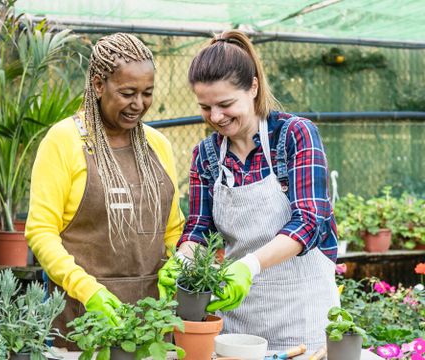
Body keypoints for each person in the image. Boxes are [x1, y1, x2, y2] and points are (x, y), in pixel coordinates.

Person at [158, 30, 339, 351]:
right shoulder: (207, 155)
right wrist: (182, 260)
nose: (215, 117)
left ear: (253, 87)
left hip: (302, 313)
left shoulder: (294, 136)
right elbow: (200, 228)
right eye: (205, 107)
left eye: (226, 104)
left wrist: (248, 266)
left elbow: (311, 220)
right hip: (239, 322)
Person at [25, 33, 184, 349]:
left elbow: (173, 229)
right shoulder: (64, 141)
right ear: (98, 85)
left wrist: (177, 264)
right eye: (127, 93)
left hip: (151, 326)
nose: (138, 104)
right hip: (81, 319)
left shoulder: (158, 146)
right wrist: (88, 290)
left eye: (147, 93)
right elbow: (41, 232)